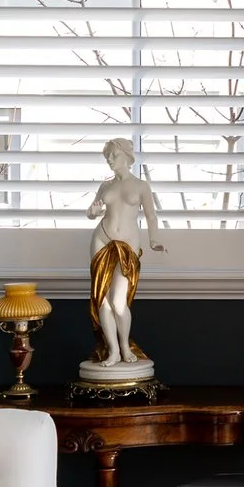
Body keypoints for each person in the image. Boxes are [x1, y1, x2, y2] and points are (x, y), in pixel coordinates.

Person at [85, 138, 163, 371]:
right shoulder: (105, 186)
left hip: (127, 244)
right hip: (101, 239)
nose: (109, 160)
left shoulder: (140, 186)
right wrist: (92, 212)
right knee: (103, 300)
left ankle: (126, 347)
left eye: (113, 155)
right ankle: (114, 350)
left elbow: (151, 216)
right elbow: (93, 212)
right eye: (107, 156)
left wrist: (154, 239)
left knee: (119, 302)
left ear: (127, 157)